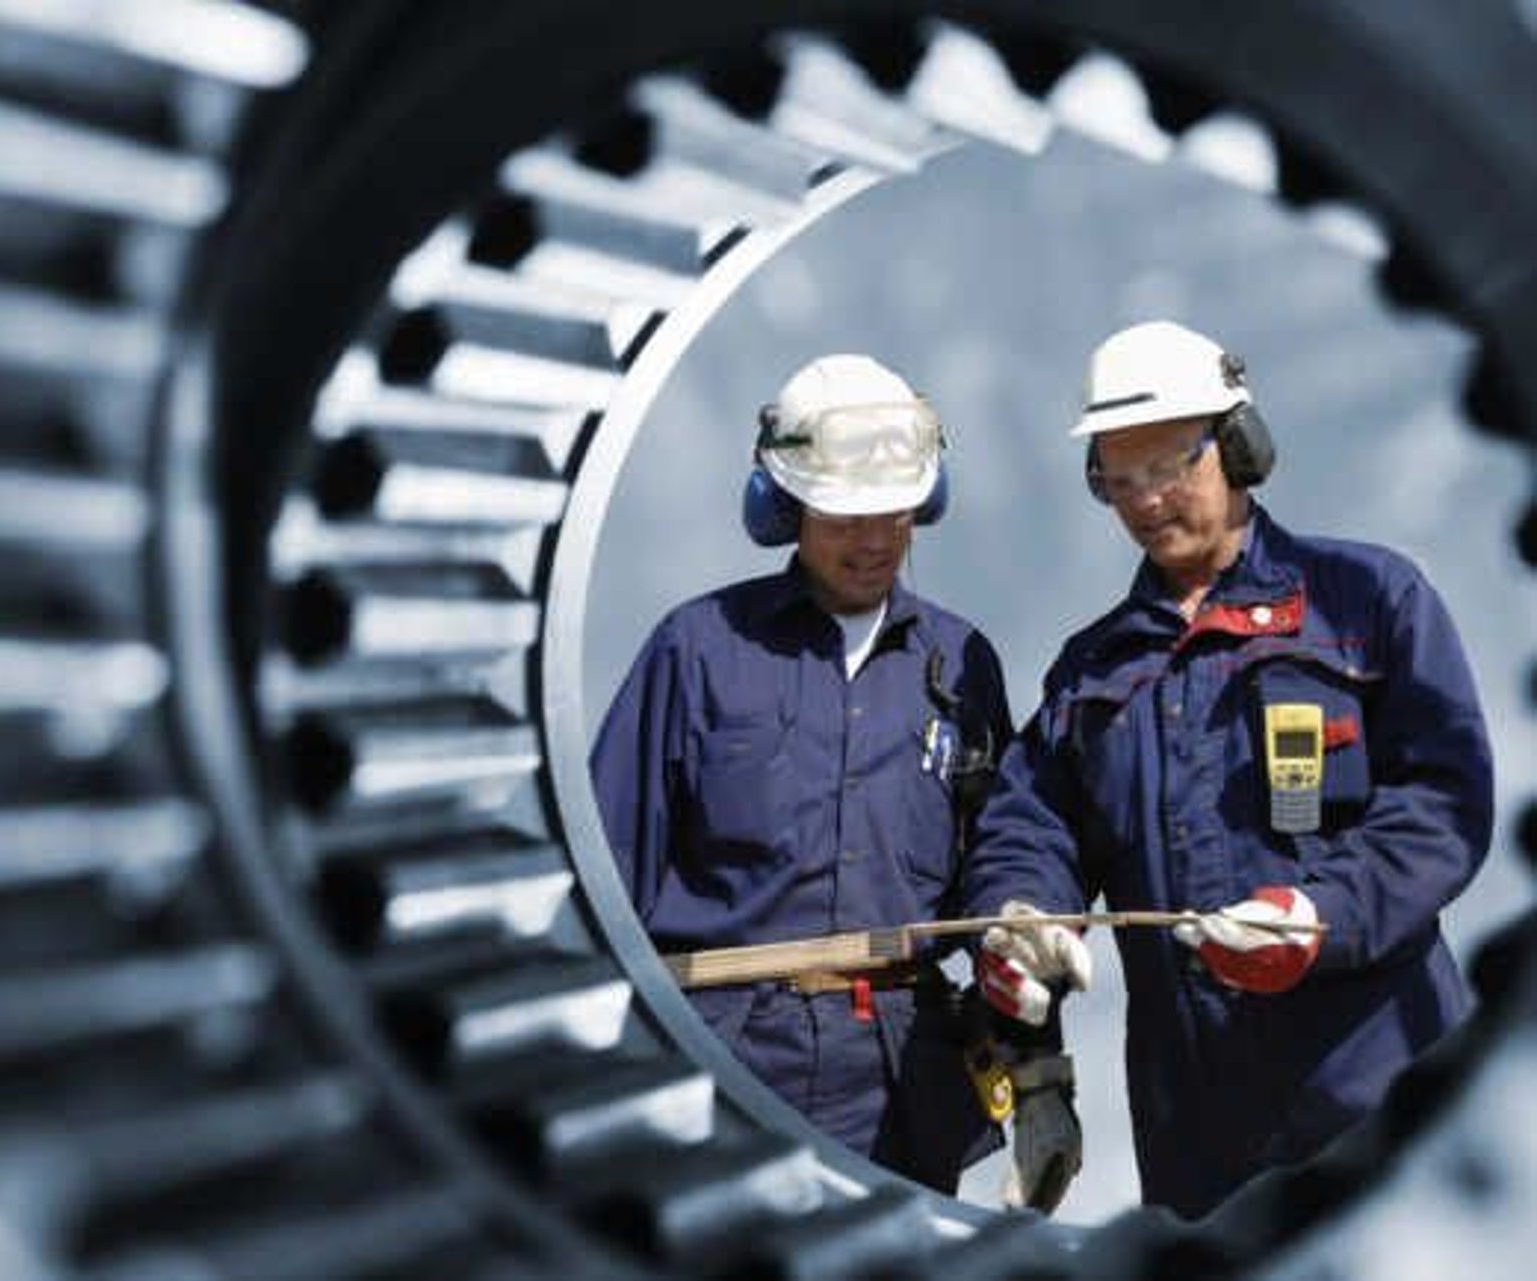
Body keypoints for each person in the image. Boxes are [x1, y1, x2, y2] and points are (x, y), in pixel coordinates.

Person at [960, 320, 1495, 1219]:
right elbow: (1030, 826)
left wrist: (1326, 913)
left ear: (1240, 447)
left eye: (1170, 467)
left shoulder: (1367, 601)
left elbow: (1443, 801)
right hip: (1202, 1138)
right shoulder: (1091, 673)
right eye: (1119, 479)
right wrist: (1023, 920)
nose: (1147, 501)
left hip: (1378, 1089)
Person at [591, 353, 1077, 1205]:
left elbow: (999, 863)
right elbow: (597, 881)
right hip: (721, 1070)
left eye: (895, 512)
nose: (876, 538)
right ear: (786, 506)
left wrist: (1038, 1057)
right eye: (849, 515)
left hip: (903, 1084)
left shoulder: (962, 665)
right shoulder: (697, 651)